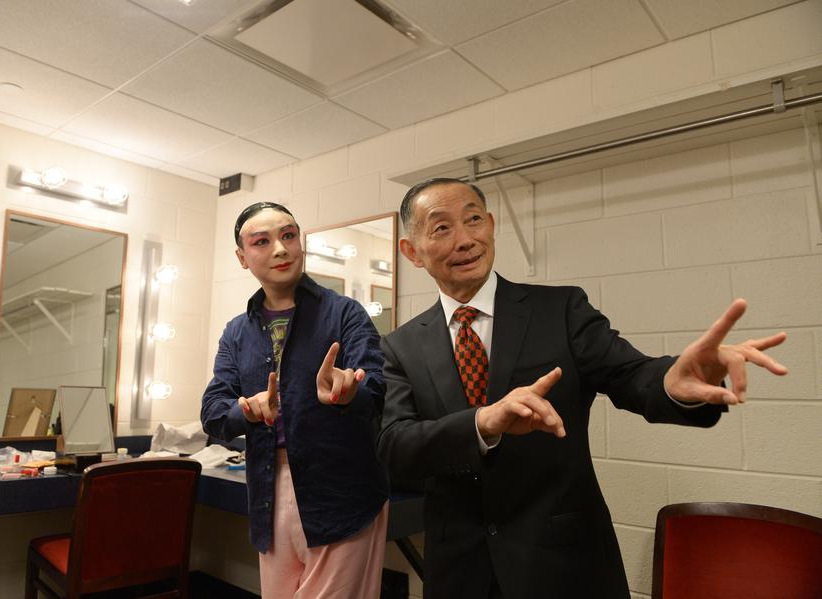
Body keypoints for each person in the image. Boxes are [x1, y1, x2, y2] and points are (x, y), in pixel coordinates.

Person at [377, 178, 788, 599]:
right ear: (412, 251)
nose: (465, 240)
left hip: (564, 565)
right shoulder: (399, 346)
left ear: (492, 226)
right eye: (442, 228)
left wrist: (677, 381)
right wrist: (481, 423)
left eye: (474, 220)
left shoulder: (562, 310)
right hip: (460, 574)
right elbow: (394, 447)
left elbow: (631, 376)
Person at [201, 202, 390, 598]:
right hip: (268, 494)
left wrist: (347, 391)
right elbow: (214, 414)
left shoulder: (346, 314)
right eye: (262, 241)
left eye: (288, 236)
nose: (281, 249)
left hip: (341, 492)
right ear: (242, 257)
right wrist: (247, 409)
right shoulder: (236, 333)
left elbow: (375, 392)